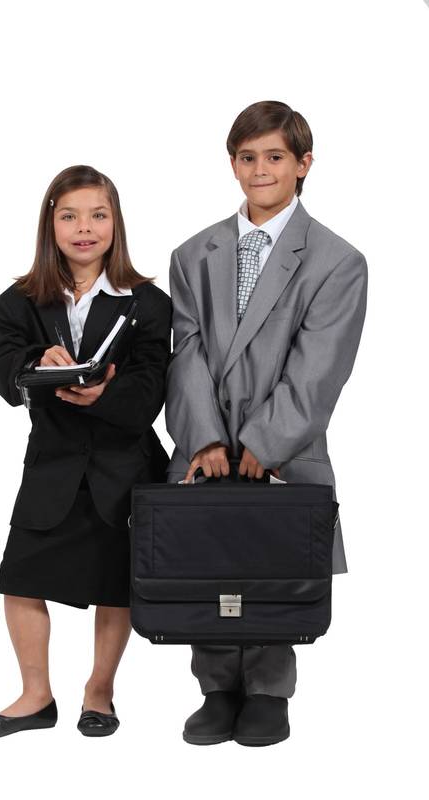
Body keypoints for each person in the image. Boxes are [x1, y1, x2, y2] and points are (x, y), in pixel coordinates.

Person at [165, 101, 368, 746]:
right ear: (232, 164)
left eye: (275, 157)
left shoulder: (336, 261)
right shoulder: (194, 253)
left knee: (271, 564)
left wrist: (263, 441)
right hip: (208, 446)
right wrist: (204, 437)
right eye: (248, 157)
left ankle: (268, 692)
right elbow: (187, 351)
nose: (260, 169)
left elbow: (319, 370)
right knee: (207, 565)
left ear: (303, 164)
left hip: (282, 448)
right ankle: (216, 688)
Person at [0, 165, 172, 739]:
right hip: (53, 461)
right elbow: (1, 364)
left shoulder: (148, 303)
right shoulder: (19, 301)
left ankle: (99, 693)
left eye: (98, 215)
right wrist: (36, 362)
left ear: (116, 223)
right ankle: (36, 697)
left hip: (123, 461)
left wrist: (107, 395)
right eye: (70, 216)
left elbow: (153, 383)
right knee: (20, 577)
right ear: (50, 224)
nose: (85, 228)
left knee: (116, 581)